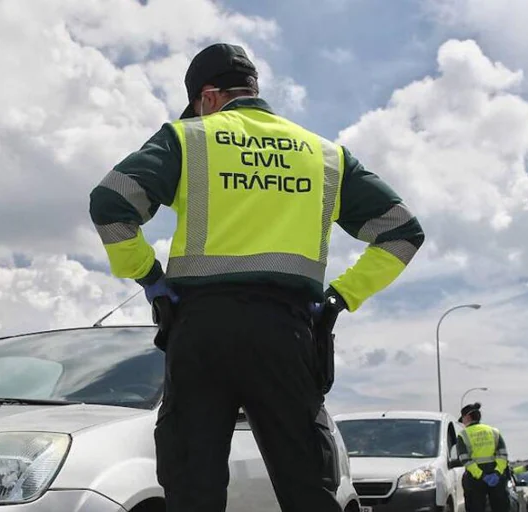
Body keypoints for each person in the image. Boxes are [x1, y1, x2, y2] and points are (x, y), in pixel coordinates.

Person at [88, 42, 425, 512]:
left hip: (200, 331)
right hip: (286, 334)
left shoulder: (190, 137)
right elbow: (402, 232)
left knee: (192, 488)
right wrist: (338, 299)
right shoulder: (324, 155)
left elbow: (110, 202)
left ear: (207, 97)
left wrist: (149, 277)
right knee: (309, 487)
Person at [456, 403, 510, 512]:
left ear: (467, 417)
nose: (463, 422)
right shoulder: (494, 431)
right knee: (501, 507)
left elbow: (464, 459)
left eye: (463, 419)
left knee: (475, 507)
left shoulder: (463, 435)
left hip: (475, 479)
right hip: (496, 477)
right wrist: (497, 472)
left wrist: (481, 475)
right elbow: (503, 455)